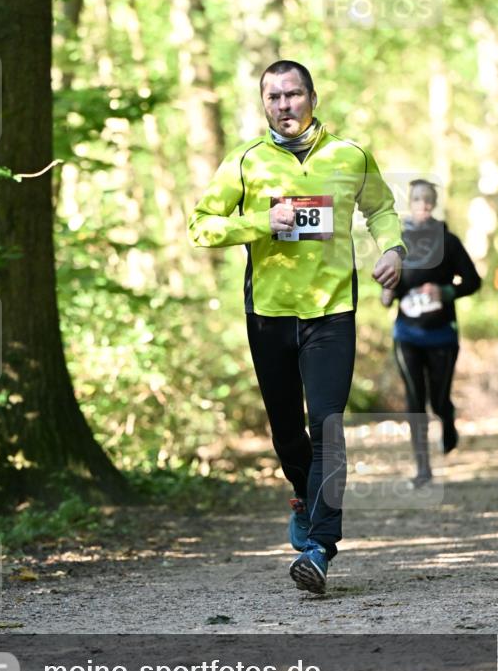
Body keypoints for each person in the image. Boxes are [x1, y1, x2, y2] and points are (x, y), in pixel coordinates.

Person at [188, 60, 404, 594]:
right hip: (269, 315)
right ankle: (303, 499)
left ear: (313, 96)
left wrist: (394, 250)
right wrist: (262, 222)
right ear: (264, 104)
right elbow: (200, 226)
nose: (284, 106)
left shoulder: (350, 156)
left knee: (326, 427)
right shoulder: (244, 162)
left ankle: (319, 547)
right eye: (274, 98)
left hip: (332, 313)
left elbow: (382, 209)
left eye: (293, 95)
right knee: (287, 432)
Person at [381, 179, 481, 486]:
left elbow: (473, 281)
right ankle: (423, 469)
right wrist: (387, 291)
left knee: (437, 400)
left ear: (433, 203)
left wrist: (445, 291)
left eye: (428, 200)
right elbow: (390, 288)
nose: (422, 205)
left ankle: (447, 420)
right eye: (416, 200)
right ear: (409, 203)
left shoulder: (447, 241)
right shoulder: (397, 241)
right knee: (415, 400)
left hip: (441, 335)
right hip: (407, 334)